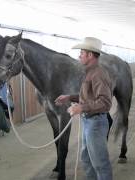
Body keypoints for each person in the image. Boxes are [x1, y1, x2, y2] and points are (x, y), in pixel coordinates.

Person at [54, 37, 113, 180]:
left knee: (100, 163)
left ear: (90, 55)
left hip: (96, 123)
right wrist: (69, 97)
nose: (79, 55)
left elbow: (105, 102)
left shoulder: (98, 74)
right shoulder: (89, 72)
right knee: (86, 160)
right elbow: (88, 96)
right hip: (89, 122)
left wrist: (82, 108)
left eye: (82, 52)